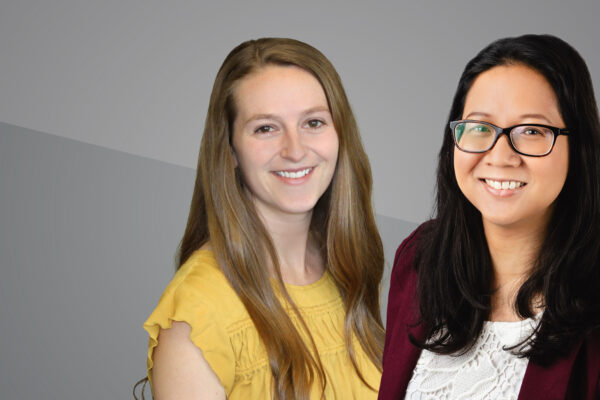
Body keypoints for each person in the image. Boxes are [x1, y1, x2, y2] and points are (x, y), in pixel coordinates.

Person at [142, 38, 384, 400]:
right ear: (230, 151)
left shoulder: (346, 269)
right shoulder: (197, 316)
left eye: (314, 122)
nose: (295, 150)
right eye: (266, 128)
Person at [379, 34, 600, 399]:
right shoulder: (421, 260)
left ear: (578, 147)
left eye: (531, 131)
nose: (500, 156)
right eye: (480, 127)